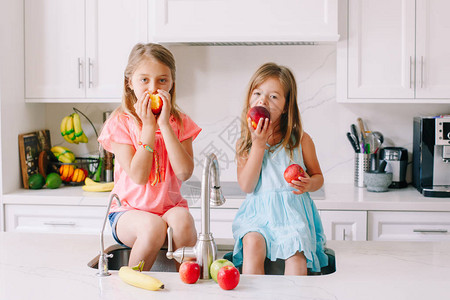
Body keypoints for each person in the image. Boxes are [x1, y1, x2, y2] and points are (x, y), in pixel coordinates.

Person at [98, 43, 201, 271]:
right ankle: (131, 287)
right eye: (144, 80)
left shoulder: (180, 122)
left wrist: (164, 125)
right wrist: (148, 128)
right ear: (129, 82)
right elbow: (139, 176)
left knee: (183, 221)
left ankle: (189, 286)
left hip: (169, 208)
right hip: (128, 213)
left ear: (172, 83)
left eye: (162, 80)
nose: (153, 88)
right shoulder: (120, 123)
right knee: (153, 227)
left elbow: (184, 172)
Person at [232, 62, 328, 276]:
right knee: (253, 245)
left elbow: (318, 177)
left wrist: (310, 183)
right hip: (258, 216)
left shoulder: (300, 140)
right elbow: (247, 185)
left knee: (296, 255)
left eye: (273, 96)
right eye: (257, 93)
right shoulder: (245, 144)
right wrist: (258, 144)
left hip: (291, 215)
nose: (263, 100)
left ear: (286, 106)